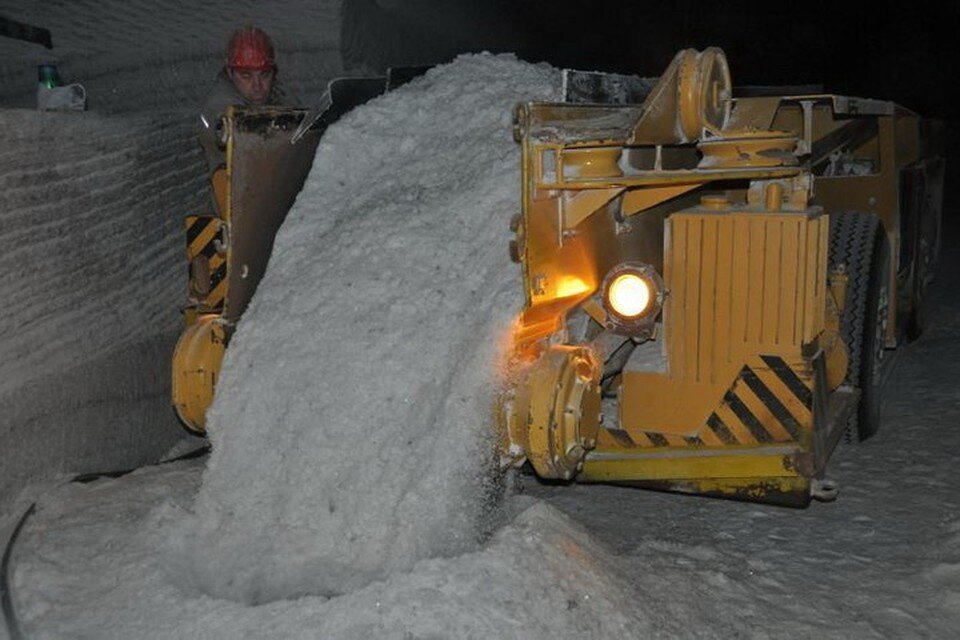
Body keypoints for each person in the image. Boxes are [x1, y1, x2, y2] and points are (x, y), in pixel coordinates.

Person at [198, 27, 283, 176]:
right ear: (230, 73)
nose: (257, 86)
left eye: (264, 75)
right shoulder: (220, 106)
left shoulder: (280, 96)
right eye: (246, 76)